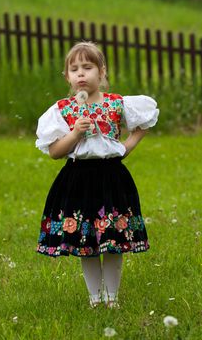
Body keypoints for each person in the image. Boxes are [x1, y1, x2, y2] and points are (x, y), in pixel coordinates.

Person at [35, 42, 159, 309]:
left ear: (101, 72)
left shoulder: (116, 103)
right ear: (67, 76)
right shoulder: (63, 109)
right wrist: (75, 133)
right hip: (78, 179)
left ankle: (112, 299)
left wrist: (124, 148)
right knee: (85, 240)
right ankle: (95, 299)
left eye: (87, 67)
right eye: (74, 68)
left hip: (112, 178)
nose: (81, 74)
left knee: (113, 239)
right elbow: (55, 152)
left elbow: (142, 125)